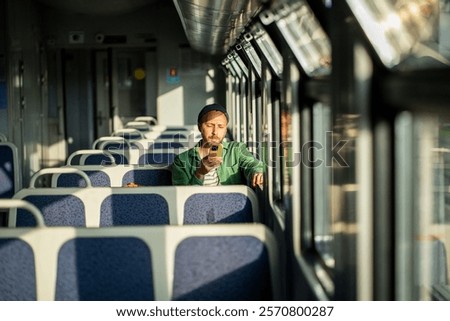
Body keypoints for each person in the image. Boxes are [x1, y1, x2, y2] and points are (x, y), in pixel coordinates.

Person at [171, 103, 264, 187]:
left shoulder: (236, 149)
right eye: (209, 125)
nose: (215, 132)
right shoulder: (181, 160)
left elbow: (252, 164)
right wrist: (200, 173)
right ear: (200, 127)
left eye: (220, 127)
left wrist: (257, 172)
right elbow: (182, 197)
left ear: (225, 130)